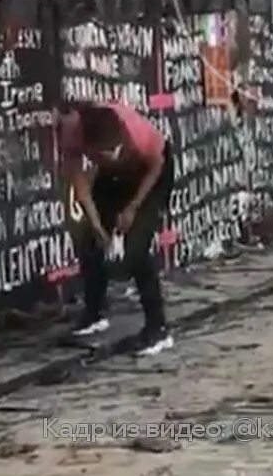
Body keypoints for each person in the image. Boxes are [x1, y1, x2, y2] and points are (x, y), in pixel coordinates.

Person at [61, 100, 175, 356]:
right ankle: (95, 312)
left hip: (151, 172)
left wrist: (133, 207)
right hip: (115, 177)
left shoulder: (137, 132)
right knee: (89, 238)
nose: (110, 155)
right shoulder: (73, 134)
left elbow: (157, 164)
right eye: (102, 154)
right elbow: (80, 185)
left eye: (114, 150)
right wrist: (97, 226)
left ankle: (158, 328)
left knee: (136, 247)